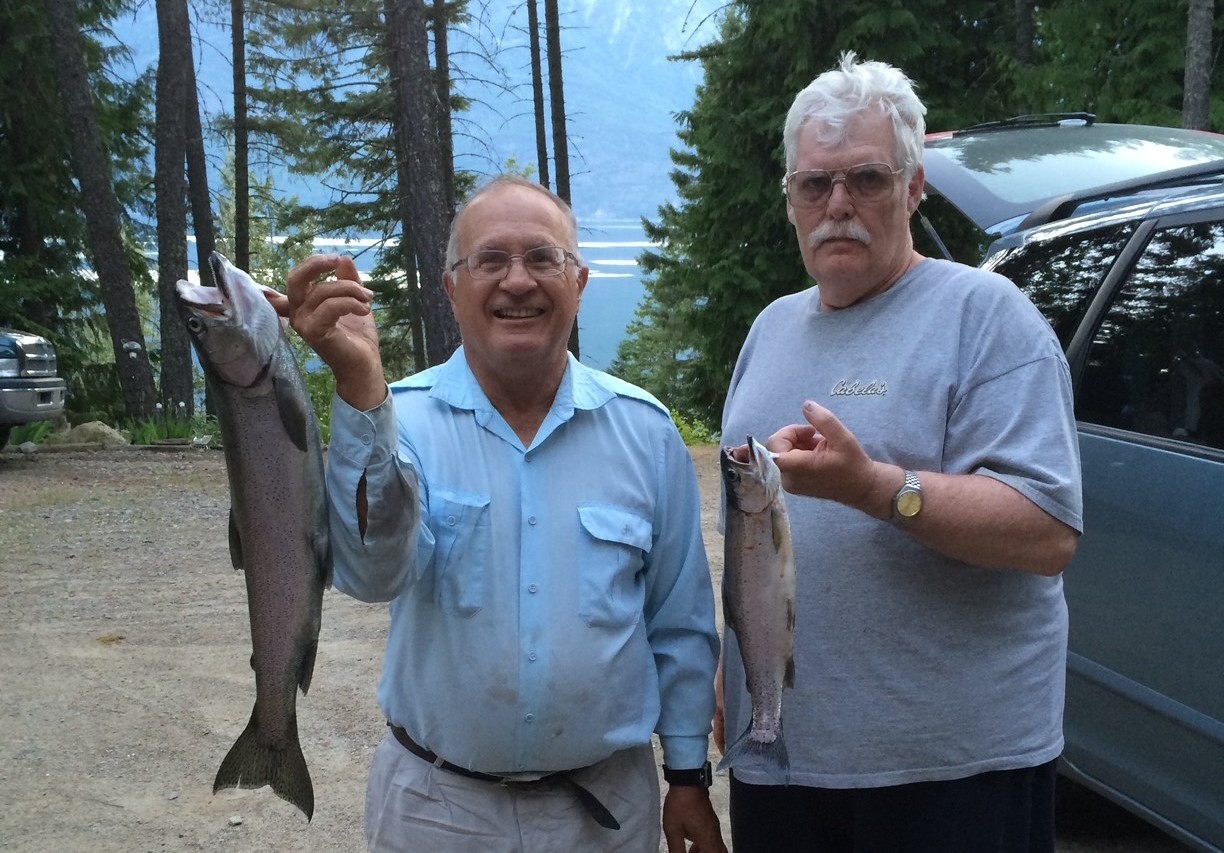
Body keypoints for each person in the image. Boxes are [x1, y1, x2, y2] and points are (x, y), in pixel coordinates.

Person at [277, 175, 727, 853]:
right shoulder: (402, 418)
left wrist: (688, 774)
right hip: (436, 811)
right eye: (490, 260)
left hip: (605, 814)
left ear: (578, 283)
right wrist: (361, 387)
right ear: (452, 287)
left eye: (543, 258)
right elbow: (370, 574)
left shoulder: (646, 432)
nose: (517, 281)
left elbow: (680, 622)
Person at [716, 53, 1084, 852]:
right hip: (785, 766)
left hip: (953, 774)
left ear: (914, 188)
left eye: (868, 180)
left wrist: (878, 487)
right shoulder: (769, 329)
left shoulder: (988, 318)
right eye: (814, 184)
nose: (837, 204)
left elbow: (1047, 530)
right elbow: (749, 540)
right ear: (790, 199)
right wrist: (734, 679)